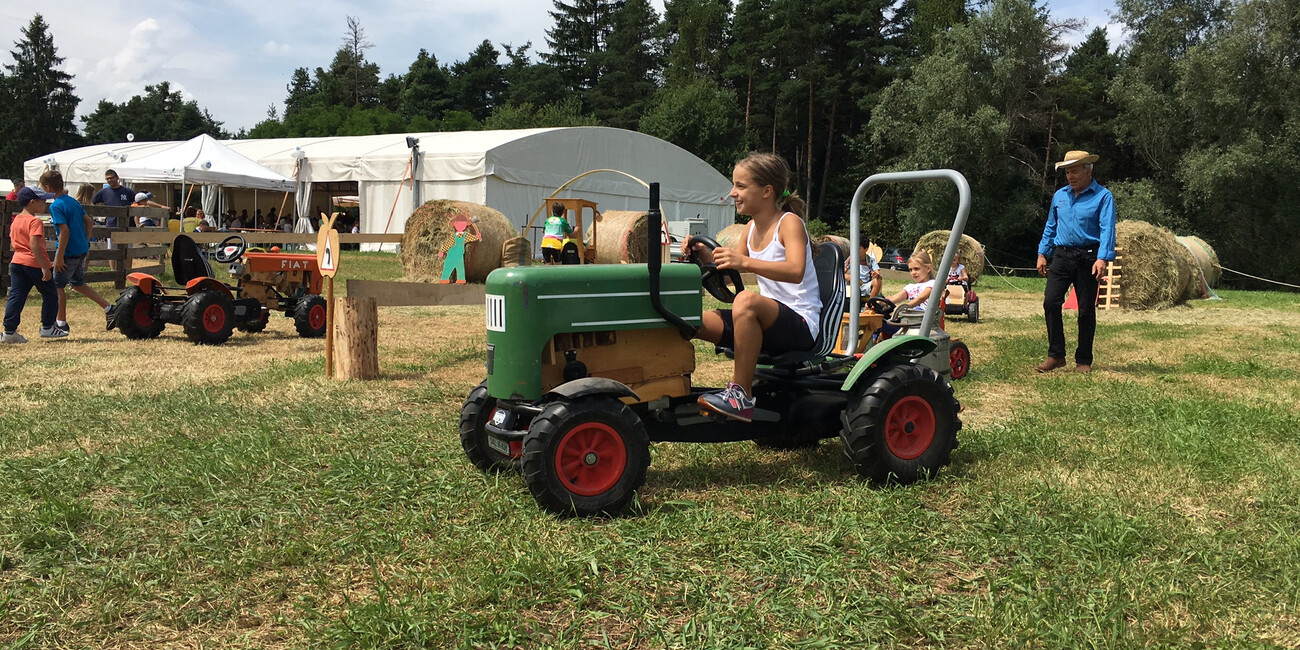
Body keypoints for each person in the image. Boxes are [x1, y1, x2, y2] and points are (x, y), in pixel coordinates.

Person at [682, 152, 822, 422]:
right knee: (689, 321)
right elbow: (728, 276)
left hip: (801, 323)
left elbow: (796, 271)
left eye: (741, 186)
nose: (733, 193)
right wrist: (703, 255)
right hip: (767, 322)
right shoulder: (749, 229)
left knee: (745, 300)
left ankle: (740, 396)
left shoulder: (789, 223)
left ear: (767, 191)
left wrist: (745, 261)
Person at [1035, 150, 1117, 374]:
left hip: (1089, 257)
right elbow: (1051, 226)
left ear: (1088, 171)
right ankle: (1056, 355)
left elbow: (1107, 229)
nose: (1070, 176)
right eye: (1067, 172)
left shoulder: (1103, 197)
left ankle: (1083, 360)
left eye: (1074, 171)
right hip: (1061, 256)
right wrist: (1043, 253)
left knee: (1085, 310)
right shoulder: (1060, 196)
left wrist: (1102, 257)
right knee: (1051, 302)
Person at [42, 170, 115, 331]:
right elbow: (89, 222)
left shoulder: (56, 205)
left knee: (57, 286)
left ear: (47, 188)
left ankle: (61, 323)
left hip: (68, 252)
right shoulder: (73, 202)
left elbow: (64, 231)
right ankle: (110, 308)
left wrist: (59, 256)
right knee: (78, 284)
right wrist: (86, 241)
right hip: (81, 249)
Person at [2, 186, 64, 342]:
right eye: (42, 201)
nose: (45, 204)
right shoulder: (35, 221)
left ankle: (9, 332)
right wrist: (45, 267)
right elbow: (34, 245)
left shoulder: (16, 220)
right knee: (50, 295)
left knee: (16, 296)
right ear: (32, 202)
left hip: (17, 262)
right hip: (34, 263)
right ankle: (48, 328)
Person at [844, 240, 882, 311]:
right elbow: (841, 271)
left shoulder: (870, 260)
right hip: (852, 285)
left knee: (878, 281)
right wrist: (846, 276)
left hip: (864, 286)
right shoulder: (851, 259)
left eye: (859, 248)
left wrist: (876, 274)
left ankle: (869, 305)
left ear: (866, 249)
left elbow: (877, 271)